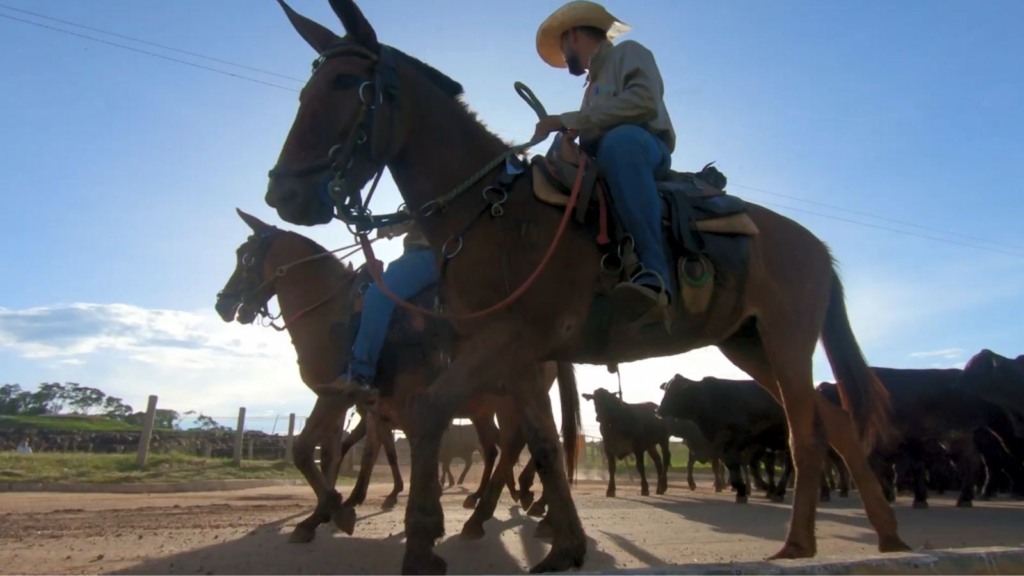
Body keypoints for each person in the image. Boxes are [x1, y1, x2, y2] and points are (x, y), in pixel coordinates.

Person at [533, 1, 677, 320]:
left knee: (620, 143)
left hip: (643, 146)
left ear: (571, 37)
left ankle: (655, 274)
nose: (564, 55)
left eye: (562, 46)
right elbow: (591, 127)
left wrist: (568, 119)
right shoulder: (590, 90)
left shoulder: (628, 52)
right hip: (607, 156)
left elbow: (644, 101)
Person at [328, 212, 437, 401]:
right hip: (418, 255)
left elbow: (413, 216)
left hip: (429, 254)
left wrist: (384, 227)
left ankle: (360, 375)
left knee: (378, 296)